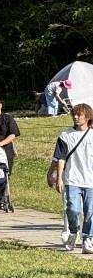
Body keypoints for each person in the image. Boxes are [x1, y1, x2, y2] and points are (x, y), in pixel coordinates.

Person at [53, 103, 93, 252]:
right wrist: (59, 178)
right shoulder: (65, 135)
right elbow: (60, 158)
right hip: (72, 179)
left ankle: (87, 239)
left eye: (79, 115)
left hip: (90, 181)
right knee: (73, 209)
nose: (75, 117)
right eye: (74, 114)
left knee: (90, 212)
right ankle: (73, 232)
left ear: (87, 117)